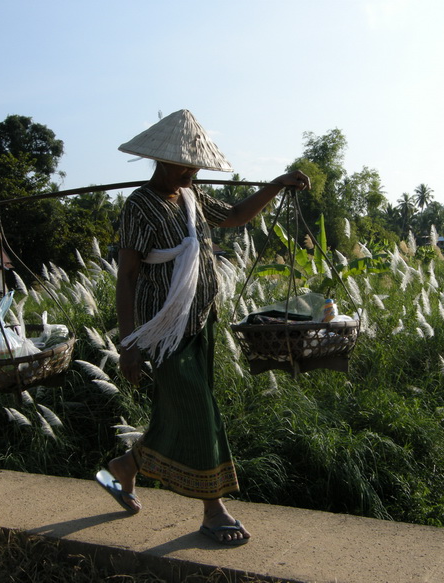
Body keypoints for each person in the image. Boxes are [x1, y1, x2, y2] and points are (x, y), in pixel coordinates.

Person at [95, 109, 310, 545]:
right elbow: (128, 276)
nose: (192, 171)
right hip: (164, 331)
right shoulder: (139, 206)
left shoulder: (191, 196)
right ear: (160, 160)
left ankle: (123, 468)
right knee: (201, 413)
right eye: (184, 164)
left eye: (195, 164)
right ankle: (214, 511)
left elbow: (232, 216)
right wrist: (128, 344)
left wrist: (276, 184)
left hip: (201, 323)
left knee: (180, 412)